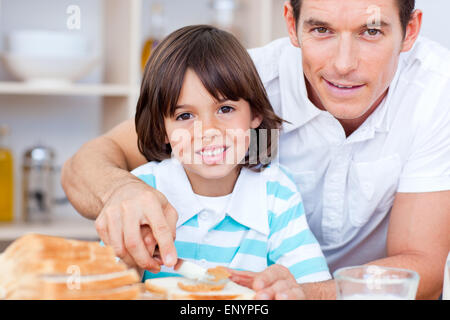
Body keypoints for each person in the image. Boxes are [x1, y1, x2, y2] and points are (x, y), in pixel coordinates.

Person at [62, 0, 450, 299]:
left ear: (410, 30)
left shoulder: (435, 91)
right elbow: (90, 162)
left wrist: (298, 293)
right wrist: (122, 191)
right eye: (321, 29)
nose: (344, 64)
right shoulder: (236, 79)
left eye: (371, 32)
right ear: (291, 24)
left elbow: (422, 272)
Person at [122, 24, 331, 284]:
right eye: (185, 116)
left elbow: (311, 286)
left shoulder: (276, 194)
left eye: (225, 109)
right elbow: (107, 285)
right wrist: (130, 262)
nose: (208, 131)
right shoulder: (141, 191)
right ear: (161, 129)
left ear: (255, 113)